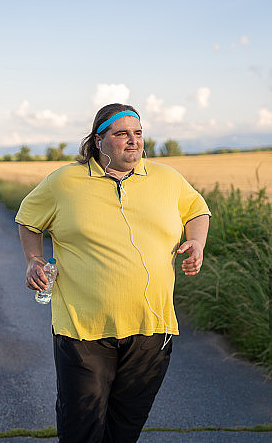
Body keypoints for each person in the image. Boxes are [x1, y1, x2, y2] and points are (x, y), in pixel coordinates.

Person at [15, 103, 210, 443]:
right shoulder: (64, 182)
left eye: (138, 134)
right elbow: (28, 219)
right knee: (83, 429)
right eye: (122, 134)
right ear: (98, 141)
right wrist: (33, 258)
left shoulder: (167, 178)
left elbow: (197, 210)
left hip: (151, 329)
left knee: (124, 430)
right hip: (82, 329)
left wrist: (196, 242)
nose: (133, 141)